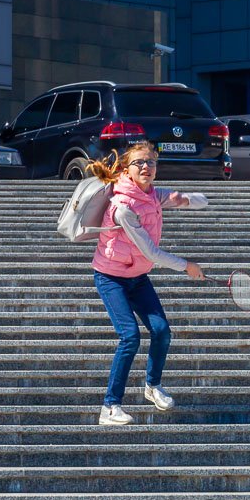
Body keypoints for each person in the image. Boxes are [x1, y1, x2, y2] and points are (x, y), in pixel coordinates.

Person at [85, 140, 207, 426]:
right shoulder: (122, 206)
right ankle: (110, 407)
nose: (146, 167)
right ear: (127, 168)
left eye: (151, 162)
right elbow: (150, 252)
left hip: (137, 276)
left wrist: (193, 199)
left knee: (162, 330)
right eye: (139, 162)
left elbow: (182, 198)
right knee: (129, 337)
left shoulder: (152, 195)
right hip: (111, 277)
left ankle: (152, 386)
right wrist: (187, 266)